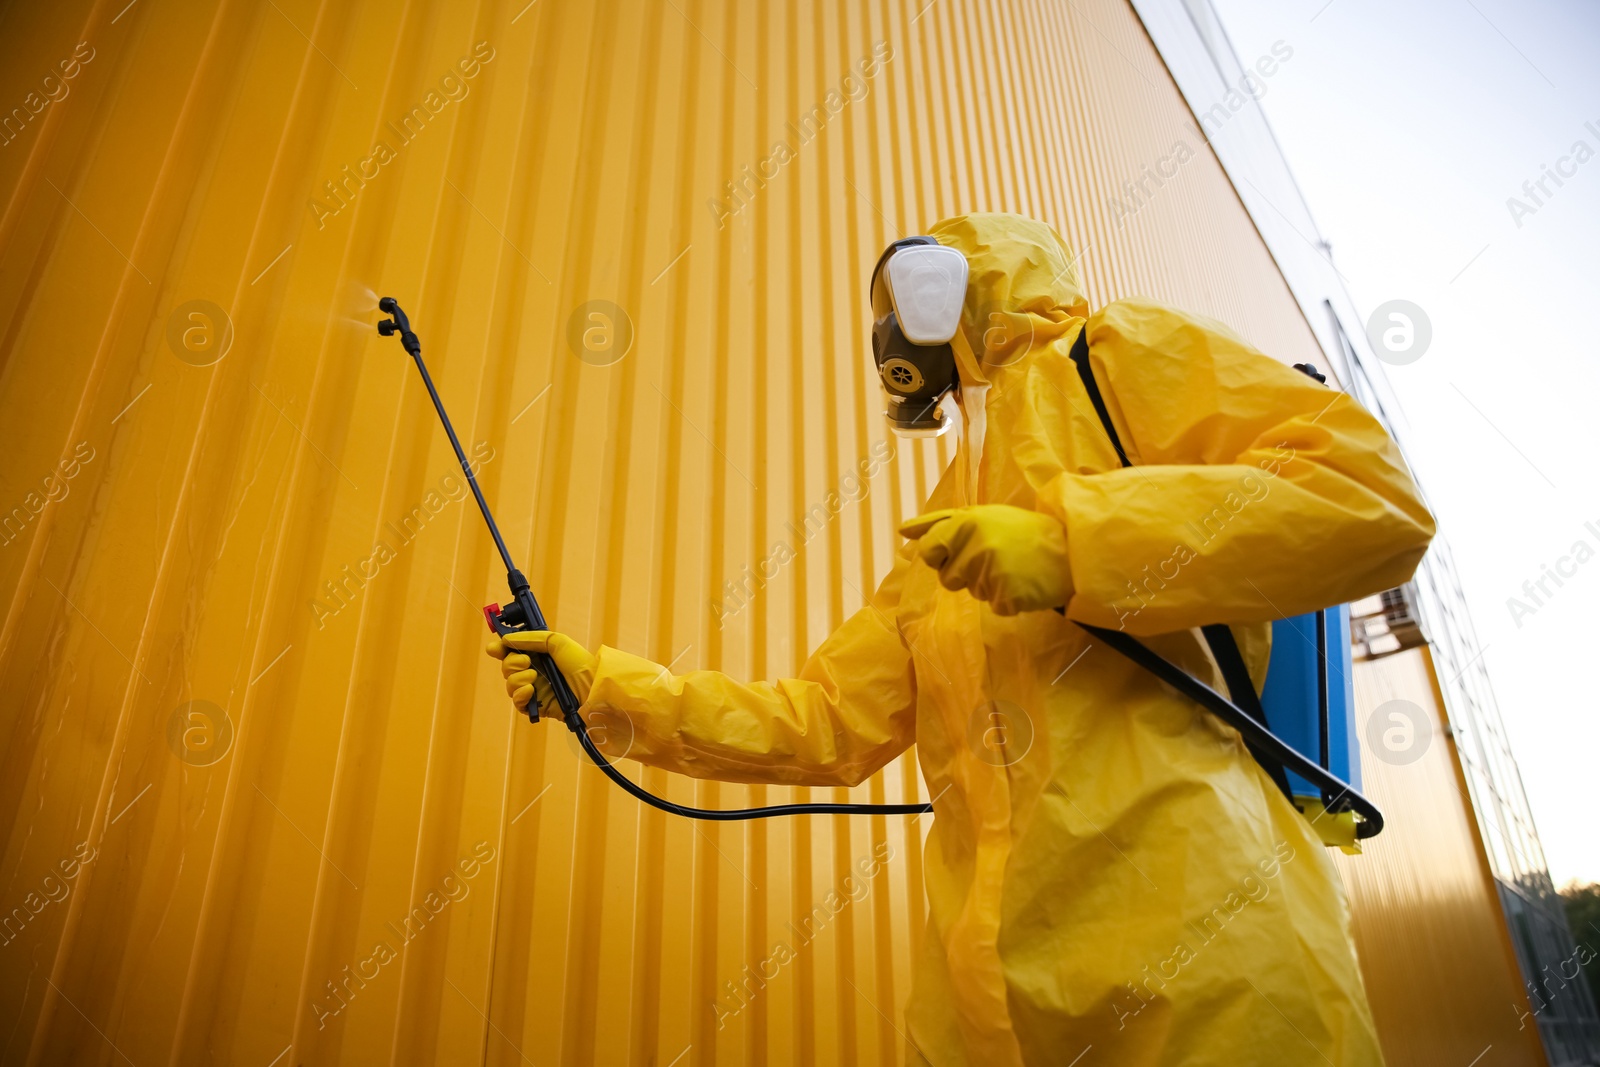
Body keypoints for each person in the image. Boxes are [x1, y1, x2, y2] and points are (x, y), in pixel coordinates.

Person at [487, 213, 1435, 1065]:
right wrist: (605, 687)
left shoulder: (1115, 357)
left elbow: (1370, 498)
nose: (887, 335)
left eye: (892, 305)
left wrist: (1076, 544)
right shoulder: (947, 534)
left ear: (942, 285)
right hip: (983, 1006)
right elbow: (822, 723)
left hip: (1206, 968)